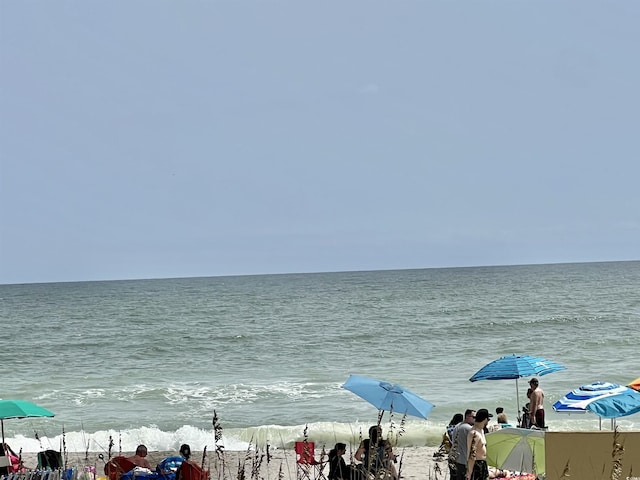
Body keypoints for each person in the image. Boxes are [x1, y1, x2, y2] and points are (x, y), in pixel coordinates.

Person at [448, 409, 476, 480]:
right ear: (467, 416)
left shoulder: (458, 425)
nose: (475, 419)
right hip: (462, 460)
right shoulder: (468, 428)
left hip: (454, 457)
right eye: (473, 417)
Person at [466, 408, 493, 480]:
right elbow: (472, 454)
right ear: (485, 419)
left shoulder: (481, 431)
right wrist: (469, 472)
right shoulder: (474, 433)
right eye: (488, 419)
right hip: (476, 465)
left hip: (483, 463)